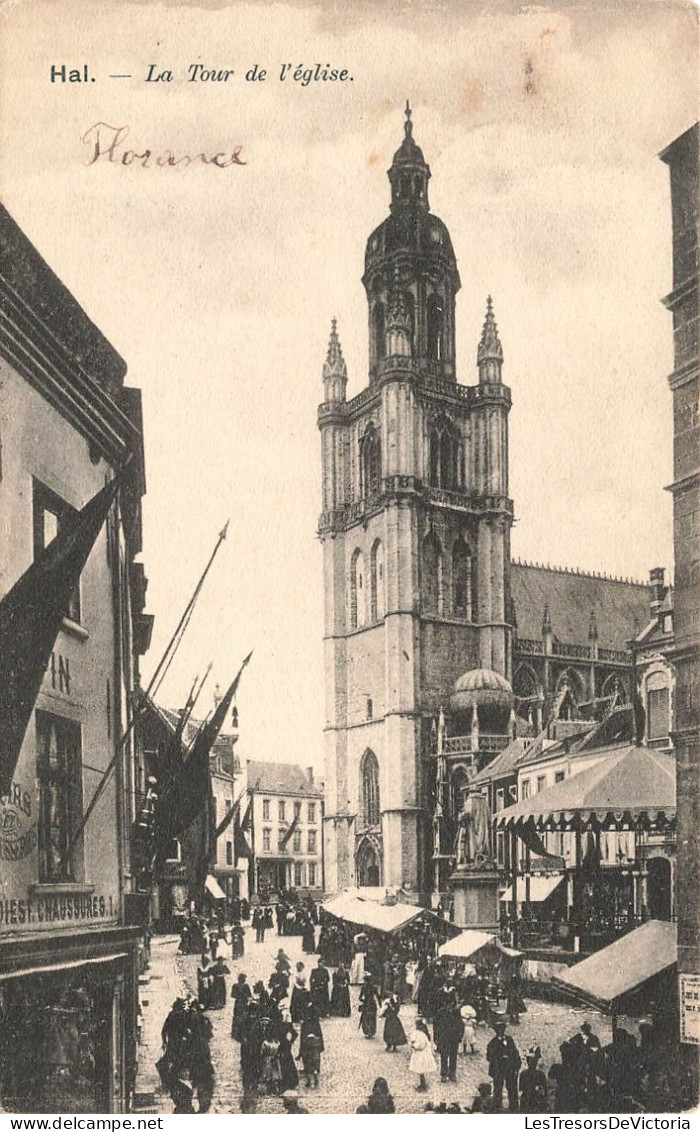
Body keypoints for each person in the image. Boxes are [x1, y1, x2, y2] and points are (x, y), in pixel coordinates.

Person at [486, 1019, 521, 1111]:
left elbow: (515, 1053)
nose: (501, 1031)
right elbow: (489, 1057)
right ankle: (497, 1106)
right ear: (496, 1031)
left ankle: (514, 1106)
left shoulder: (509, 1040)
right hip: (498, 1068)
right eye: (498, 1030)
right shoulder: (492, 1043)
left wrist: (516, 1066)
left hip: (509, 1067)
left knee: (512, 1087)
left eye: (502, 1029)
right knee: (497, 1088)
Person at [434, 998, 464, 1083]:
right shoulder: (440, 1013)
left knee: (453, 1056)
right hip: (444, 1038)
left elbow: (461, 1025)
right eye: (447, 1004)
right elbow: (435, 1027)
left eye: (450, 1004)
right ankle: (444, 1074)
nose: (448, 1006)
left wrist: (460, 1036)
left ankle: (452, 1073)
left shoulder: (456, 1013)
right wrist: (436, 1038)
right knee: (444, 1056)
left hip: (454, 1039)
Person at [408, 1016, 437, 1093]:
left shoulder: (421, 1035)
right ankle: (422, 1083)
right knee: (420, 1070)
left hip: (421, 1054)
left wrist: (413, 1045)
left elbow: (420, 1045)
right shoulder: (422, 1034)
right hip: (420, 1054)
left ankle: (423, 1085)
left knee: (420, 1069)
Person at [519, 1046, 548, 1114]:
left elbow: (545, 1089)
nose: (532, 1063)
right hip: (527, 1099)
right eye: (530, 1061)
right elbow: (521, 1088)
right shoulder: (524, 1074)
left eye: (534, 1061)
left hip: (537, 1099)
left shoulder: (540, 1074)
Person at [230, 973, 252, 1041]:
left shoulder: (236, 985)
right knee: (242, 1017)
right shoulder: (245, 986)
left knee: (237, 1017)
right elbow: (249, 995)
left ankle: (236, 1034)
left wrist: (239, 995)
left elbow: (232, 995)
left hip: (239, 1003)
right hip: (242, 1003)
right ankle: (240, 1033)